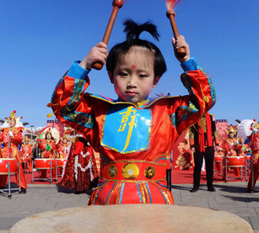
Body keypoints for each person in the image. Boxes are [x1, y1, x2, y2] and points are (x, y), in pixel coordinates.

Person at [51, 19, 215, 205]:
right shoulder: (97, 112)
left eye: (142, 75)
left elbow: (205, 99)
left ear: (156, 80)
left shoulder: (169, 112)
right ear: (110, 75)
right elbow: (62, 107)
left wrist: (187, 62)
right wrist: (83, 66)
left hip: (154, 203)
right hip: (106, 201)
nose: (132, 82)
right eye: (123, 73)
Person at [0, 111, 27, 193]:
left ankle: (22, 186)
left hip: (14, 150)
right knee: (3, 169)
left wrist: (13, 137)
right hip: (6, 151)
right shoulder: (5, 130)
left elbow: (19, 140)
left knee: (18, 168)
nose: (11, 122)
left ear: (15, 122)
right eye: (10, 120)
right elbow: (1, 139)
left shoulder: (18, 130)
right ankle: (2, 186)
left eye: (12, 121)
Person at [189, 112, 217, 192]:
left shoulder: (211, 117)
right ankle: (196, 186)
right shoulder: (195, 117)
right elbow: (191, 132)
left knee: (210, 167)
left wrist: (217, 143)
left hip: (209, 145)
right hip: (198, 146)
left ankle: (210, 185)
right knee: (197, 166)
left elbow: (214, 131)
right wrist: (192, 145)